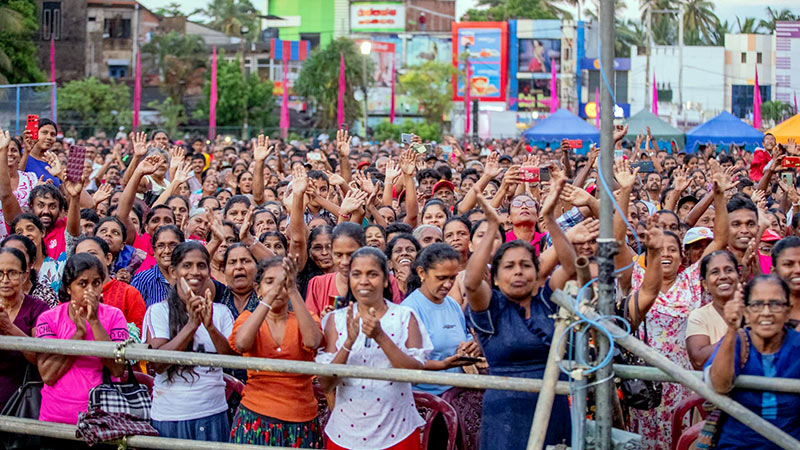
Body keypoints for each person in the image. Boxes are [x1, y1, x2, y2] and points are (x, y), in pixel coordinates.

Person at [317, 247, 433, 449]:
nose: (364, 281)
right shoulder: (335, 320)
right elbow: (326, 384)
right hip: (346, 433)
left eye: (372, 274)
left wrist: (380, 337)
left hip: (398, 430)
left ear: (386, 280)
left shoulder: (405, 316)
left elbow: (414, 374)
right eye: (356, 274)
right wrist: (348, 343)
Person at [142, 241, 235, 442]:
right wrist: (192, 325)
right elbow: (158, 364)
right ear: (174, 272)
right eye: (187, 265)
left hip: (214, 412)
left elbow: (232, 362)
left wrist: (210, 327)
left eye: (201, 266)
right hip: (171, 415)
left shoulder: (221, 312)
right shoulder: (158, 311)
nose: (195, 272)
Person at [228, 256, 323, 446]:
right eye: (270, 281)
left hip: (301, 417)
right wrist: (270, 296)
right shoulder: (247, 318)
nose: (278, 286)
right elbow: (242, 344)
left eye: (284, 281)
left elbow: (313, 341)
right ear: (258, 289)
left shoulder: (305, 318)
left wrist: (293, 291)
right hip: (256, 415)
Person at [707, 274, 800, 448]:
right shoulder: (737, 342)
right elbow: (719, 385)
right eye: (757, 305)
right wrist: (731, 329)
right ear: (747, 313)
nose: (766, 312)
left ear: (788, 312)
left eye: (775, 304)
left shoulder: (798, 346)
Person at [35, 253, 129, 424]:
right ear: (69, 288)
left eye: (96, 283)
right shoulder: (49, 319)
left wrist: (94, 322)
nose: (90, 291)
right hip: (56, 416)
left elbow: (117, 369)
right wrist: (78, 335)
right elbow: (48, 375)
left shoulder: (114, 316)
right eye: (82, 284)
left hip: (102, 418)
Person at [402, 243, 479, 395]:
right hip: (428, 398)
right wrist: (442, 365)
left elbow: (464, 336)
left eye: (452, 278)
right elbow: (406, 362)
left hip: (457, 391)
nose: (448, 284)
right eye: (441, 278)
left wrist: (471, 347)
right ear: (422, 273)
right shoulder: (409, 310)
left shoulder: (452, 305)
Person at [0, 247, 49, 409]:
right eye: (0, 273)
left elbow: (41, 359)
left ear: (25, 275)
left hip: (21, 400)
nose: (5, 279)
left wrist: (9, 328)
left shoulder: (38, 309)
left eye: (12, 273)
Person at [74, 236, 146, 335]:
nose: (86, 260)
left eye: (92, 254)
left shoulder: (129, 293)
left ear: (108, 258)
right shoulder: (71, 293)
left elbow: (138, 337)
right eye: (80, 256)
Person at [686, 251, 740, 369]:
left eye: (729, 270)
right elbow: (699, 360)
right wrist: (741, 338)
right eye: (715, 272)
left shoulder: (753, 310)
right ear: (705, 284)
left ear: (738, 276)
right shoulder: (699, 316)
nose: (723, 276)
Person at [305, 222, 365, 319]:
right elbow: (309, 327)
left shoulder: (382, 281)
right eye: (338, 255)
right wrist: (324, 321)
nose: (345, 262)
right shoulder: (317, 284)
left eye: (351, 254)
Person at [131, 226, 184, 307]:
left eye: (172, 245)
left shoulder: (189, 278)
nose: (167, 251)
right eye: (160, 246)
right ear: (154, 252)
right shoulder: (142, 279)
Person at [1, 234, 59, 308]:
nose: (11, 260)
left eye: (18, 255)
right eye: (7, 255)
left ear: (32, 262)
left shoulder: (46, 296)